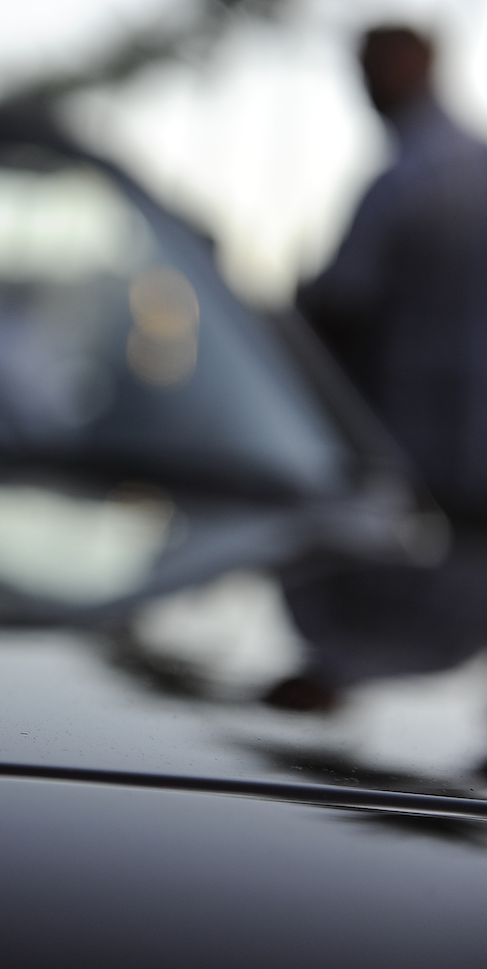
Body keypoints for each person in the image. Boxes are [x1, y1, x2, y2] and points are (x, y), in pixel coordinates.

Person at [268, 26, 487, 711]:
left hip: (392, 493)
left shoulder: (402, 184)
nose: (362, 83)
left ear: (418, 64)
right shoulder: (475, 166)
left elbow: (336, 317)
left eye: (372, 66)